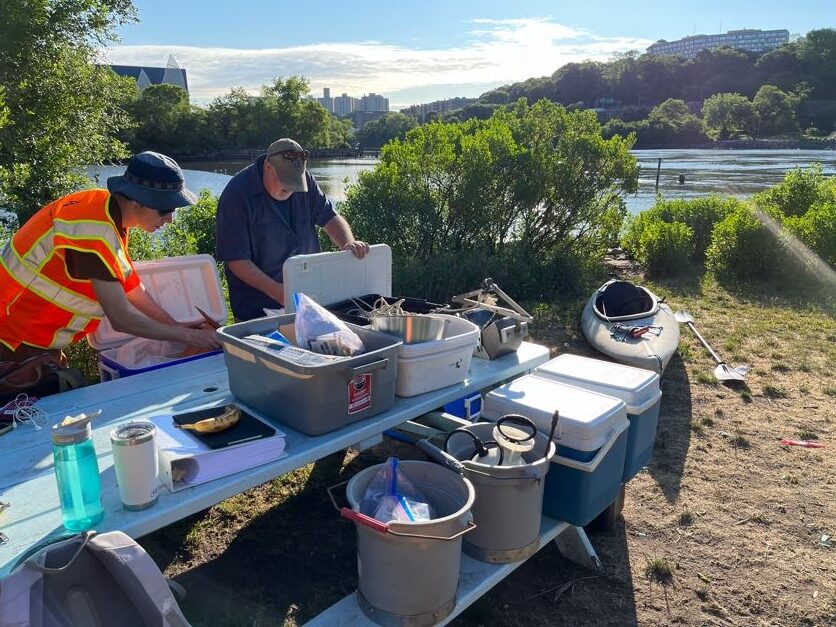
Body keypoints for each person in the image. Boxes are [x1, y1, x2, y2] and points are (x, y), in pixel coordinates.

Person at [0, 151, 221, 401]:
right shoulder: (91, 232)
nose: (170, 219)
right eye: (165, 210)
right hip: (12, 345)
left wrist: (174, 326)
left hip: (30, 343)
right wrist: (192, 337)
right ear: (138, 200)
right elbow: (122, 319)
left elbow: (131, 287)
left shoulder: (104, 212)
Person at [215, 138, 370, 321]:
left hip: (307, 301)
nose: (290, 189)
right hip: (257, 309)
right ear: (267, 167)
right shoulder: (236, 195)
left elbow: (330, 216)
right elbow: (237, 260)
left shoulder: (306, 181)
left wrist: (348, 242)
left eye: (295, 182)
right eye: (285, 181)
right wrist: (279, 292)